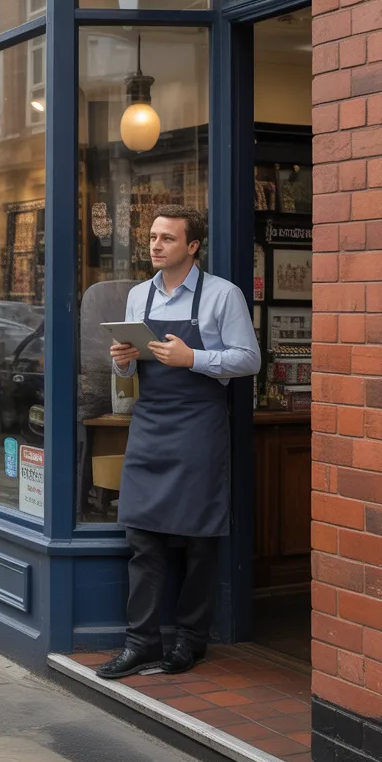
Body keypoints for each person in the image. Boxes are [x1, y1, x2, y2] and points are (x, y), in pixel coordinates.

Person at [97, 206, 260, 681]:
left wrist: (194, 357)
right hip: (150, 424)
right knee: (142, 538)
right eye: (152, 237)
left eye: (167, 238)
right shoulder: (137, 296)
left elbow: (248, 359)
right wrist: (123, 361)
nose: (155, 245)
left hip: (199, 426)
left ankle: (191, 641)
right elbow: (127, 374)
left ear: (192, 246)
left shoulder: (222, 296)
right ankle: (140, 643)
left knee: (196, 541)